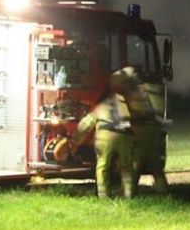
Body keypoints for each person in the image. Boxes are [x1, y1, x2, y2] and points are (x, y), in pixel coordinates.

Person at [57, 70, 137, 199]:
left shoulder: (101, 106)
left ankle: (103, 196)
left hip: (105, 137)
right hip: (125, 136)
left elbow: (86, 124)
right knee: (126, 166)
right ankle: (129, 195)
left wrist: (74, 140)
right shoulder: (125, 103)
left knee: (102, 166)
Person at [122, 67, 169, 195]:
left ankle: (130, 195)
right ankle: (163, 192)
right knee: (156, 166)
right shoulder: (146, 89)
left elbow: (130, 113)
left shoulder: (132, 92)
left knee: (135, 165)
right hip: (153, 130)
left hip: (142, 132)